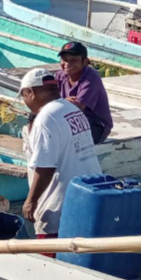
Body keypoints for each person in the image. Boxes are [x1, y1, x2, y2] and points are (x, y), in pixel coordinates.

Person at [18, 68, 101, 244]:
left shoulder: (45, 118)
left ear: (30, 92)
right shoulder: (71, 108)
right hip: (87, 200)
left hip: (58, 209)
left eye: (23, 96)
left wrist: (31, 201)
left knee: (53, 263)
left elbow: (46, 166)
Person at [56, 41, 113, 144]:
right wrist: (64, 102)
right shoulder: (60, 75)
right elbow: (48, 99)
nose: (67, 64)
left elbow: (77, 108)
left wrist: (59, 102)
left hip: (96, 125)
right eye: (64, 60)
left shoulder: (91, 78)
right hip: (72, 120)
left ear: (85, 62)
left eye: (73, 60)